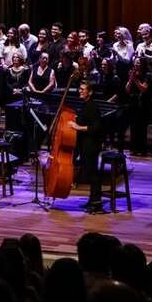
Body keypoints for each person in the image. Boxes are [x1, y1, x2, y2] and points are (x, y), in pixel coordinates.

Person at [69, 79, 104, 213]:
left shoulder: (92, 106)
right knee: (89, 173)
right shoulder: (85, 105)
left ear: (90, 92)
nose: (80, 91)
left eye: (83, 89)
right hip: (85, 143)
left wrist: (78, 126)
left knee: (93, 173)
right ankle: (92, 200)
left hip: (91, 144)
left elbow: (96, 127)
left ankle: (97, 203)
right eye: (80, 89)